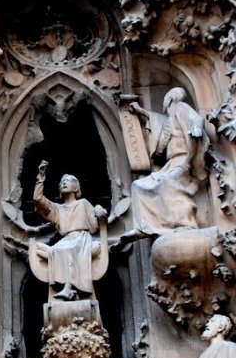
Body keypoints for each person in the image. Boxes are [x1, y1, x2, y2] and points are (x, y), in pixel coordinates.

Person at [126, 87, 208, 237]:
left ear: (169, 99)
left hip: (182, 159)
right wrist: (141, 111)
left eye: (164, 99)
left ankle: (186, 224)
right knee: (137, 185)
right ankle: (144, 227)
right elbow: (159, 121)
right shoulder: (170, 118)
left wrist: (196, 127)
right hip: (170, 164)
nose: (163, 102)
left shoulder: (180, 107)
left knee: (169, 184)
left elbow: (197, 118)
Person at [30, 161, 107, 301]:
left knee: (68, 249)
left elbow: (95, 224)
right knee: (47, 248)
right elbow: (38, 200)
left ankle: (68, 288)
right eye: (62, 182)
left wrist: (98, 209)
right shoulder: (57, 209)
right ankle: (68, 286)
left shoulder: (83, 203)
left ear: (76, 187)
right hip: (66, 240)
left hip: (81, 238)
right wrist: (41, 177)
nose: (64, 183)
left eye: (68, 181)